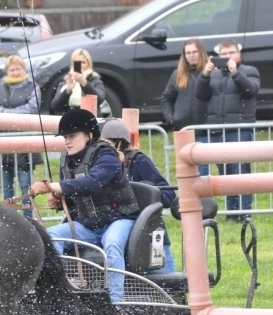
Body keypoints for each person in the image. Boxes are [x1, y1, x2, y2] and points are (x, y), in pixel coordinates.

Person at [30, 108, 139, 306]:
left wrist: (52, 186)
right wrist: (60, 198)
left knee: (112, 244)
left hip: (118, 219)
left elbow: (93, 182)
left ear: (89, 135)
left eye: (72, 136)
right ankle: (63, 291)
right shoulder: (67, 159)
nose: (67, 141)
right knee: (50, 236)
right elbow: (78, 193)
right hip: (88, 225)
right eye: (65, 137)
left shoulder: (106, 154)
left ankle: (116, 304)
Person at [195, 39, 260, 221]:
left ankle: (244, 213)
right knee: (225, 175)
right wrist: (205, 75)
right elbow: (200, 95)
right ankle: (231, 214)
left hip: (238, 129)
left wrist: (235, 73)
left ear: (238, 54)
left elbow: (250, 89)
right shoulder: (213, 75)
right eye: (223, 54)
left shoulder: (249, 71)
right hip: (217, 131)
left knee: (240, 172)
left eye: (231, 53)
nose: (227, 57)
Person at [101, 118, 176, 272]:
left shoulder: (139, 161)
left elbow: (168, 195)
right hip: (117, 237)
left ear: (119, 143)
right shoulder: (97, 167)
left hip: (148, 235)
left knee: (170, 289)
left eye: (105, 143)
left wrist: (146, 192)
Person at [0, 54, 43, 219]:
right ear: (7, 71)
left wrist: (9, 116)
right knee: (6, 185)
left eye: (18, 69)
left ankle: (28, 218)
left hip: (24, 142)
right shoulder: (0, 86)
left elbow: (32, 107)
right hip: (1, 141)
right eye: (12, 69)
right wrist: (4, 113)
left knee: (26, 185)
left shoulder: (33, 87)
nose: (15, 72)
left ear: (24, 69)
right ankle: (9, 219)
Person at [160, 38, 210, 172]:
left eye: (194, 52)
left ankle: (204, 194)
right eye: (188, 53)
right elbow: (166, 99)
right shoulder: (177, 74)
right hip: (183, 130)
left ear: (201, 53)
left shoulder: (210, 72)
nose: (191, 55)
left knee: (203, 171)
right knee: (185, 171)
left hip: (204, 130)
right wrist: (171, 118)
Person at [49, 49, 107, 116]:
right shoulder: (65, 81)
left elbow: (99, 100)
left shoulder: (95, 81)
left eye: (83, 62)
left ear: (89, 64)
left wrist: (84, 84)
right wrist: (67, 91)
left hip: (89, 118)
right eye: (77, 63)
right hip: (70, 119)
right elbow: (55, 106)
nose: (81, 65)